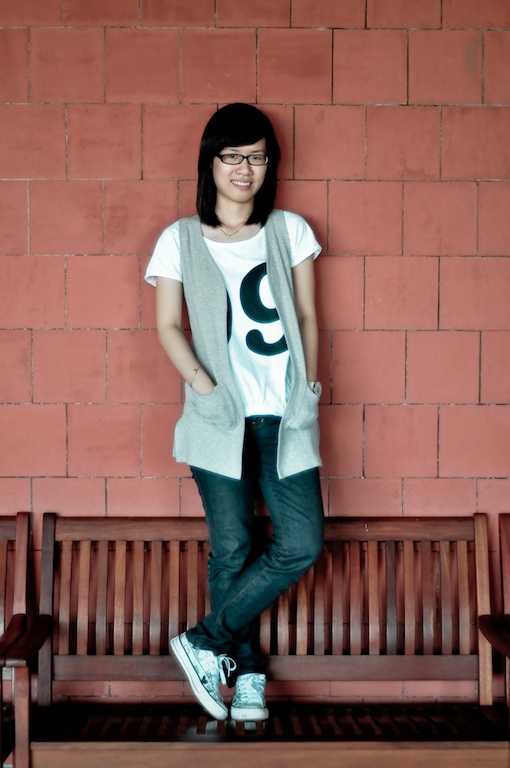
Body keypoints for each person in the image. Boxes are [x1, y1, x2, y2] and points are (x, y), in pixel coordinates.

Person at [144, 103, 324, 723]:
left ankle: (202, 641)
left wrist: (308, 386)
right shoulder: (179, 238)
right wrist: (204, 387)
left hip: (283, 413)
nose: (245, 169)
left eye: (257, 157)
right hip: (217, 417)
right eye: (233, 156)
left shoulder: (289, 230)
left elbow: (307, 316)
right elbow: (168, 325)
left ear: (269, 165)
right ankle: (246, 678)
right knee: (232, 548)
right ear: (211, 162)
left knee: (301, 543)